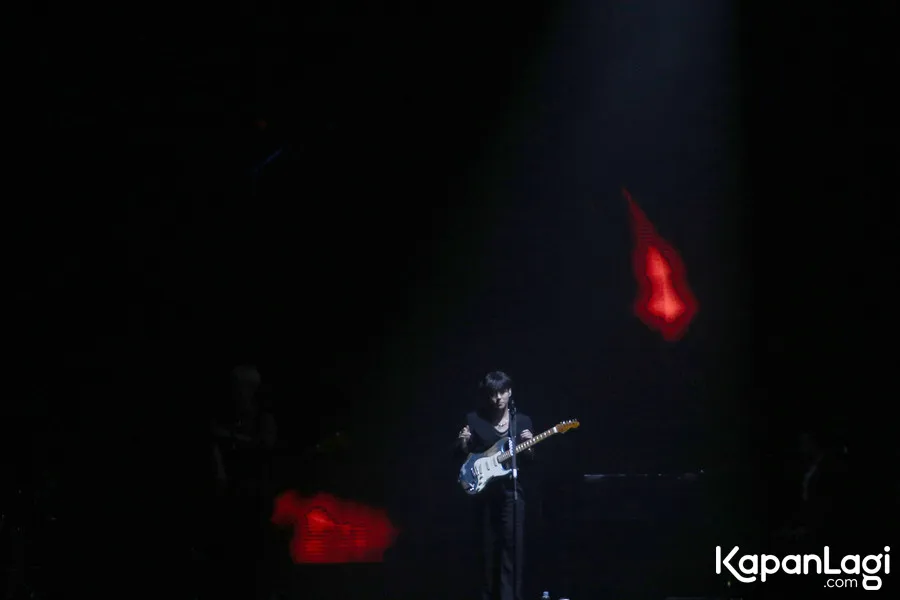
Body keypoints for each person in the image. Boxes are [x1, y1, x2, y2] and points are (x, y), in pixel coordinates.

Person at [456, 371, 535, 600]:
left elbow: (530, 460)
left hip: (511, 492)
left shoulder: (521, 421)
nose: (498, 398)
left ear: (509, 392)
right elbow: (463, 455)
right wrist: (463, 442)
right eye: (492, 394)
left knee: (512, 547)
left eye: (502, 392)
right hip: (484, 495)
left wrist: (529, 446)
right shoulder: (474, 419)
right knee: (486, 549)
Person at [206, 364, 279, 599]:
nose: (239, 392)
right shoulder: (224, 418)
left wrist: (230, 438)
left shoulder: (261, 419)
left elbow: (265, 446)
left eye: (244, 387)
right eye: (236, 387)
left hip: (254, 497)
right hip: (229, 499)